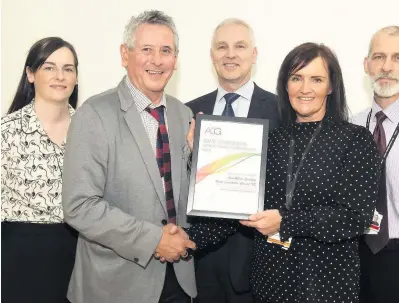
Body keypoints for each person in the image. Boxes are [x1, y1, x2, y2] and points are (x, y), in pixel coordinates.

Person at [184, 42, 381, 303]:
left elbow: (355, 217)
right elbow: (235, 207)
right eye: (296, 78)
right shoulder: (268, 140)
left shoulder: (355, 139)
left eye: (317, 79)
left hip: (326, 284)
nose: (305, 88)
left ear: (331, 87)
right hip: (269, 283)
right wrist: (184, 240)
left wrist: (285, 222)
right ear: (285, 84)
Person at [61, 10, 196, 303]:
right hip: (116, 286)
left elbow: (181, 196)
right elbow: (79, 206)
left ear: (176, 58)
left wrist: (198, 161)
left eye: (166, 51)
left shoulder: (183, 114)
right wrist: (153, 240)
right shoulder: (94, 114)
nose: (157, 60)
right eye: (146, 49)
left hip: (179, 281)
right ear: (125, 54)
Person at [185, 18, 281, 303]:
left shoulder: (280, 109)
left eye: (240, 46)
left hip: (258, 258)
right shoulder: (189, 111)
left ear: (254, 54)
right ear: (212, 55)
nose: (230, 54)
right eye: (222, 47)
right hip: (201, 260)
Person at [1, 37, 79, 303]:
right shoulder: (6, 132)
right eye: (49, 67)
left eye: (68, 69)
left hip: (80, 256)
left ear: (76, 78)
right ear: (30, 74)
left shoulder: (91, 130)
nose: (60, 76)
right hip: (21, 258)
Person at [353, 26, 399, 303]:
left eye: (398, 58)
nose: (386, 67)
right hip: (354, 261)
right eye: (378, 57)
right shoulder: (350, 124)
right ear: (366, 64)